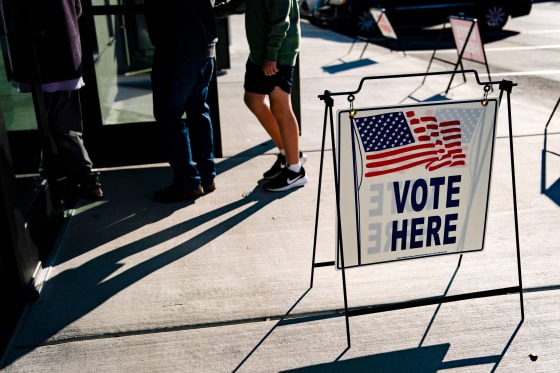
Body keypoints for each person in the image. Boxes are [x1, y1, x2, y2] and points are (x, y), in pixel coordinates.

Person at [6, 0, 103, 201]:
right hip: (67, 57)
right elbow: (77, 9)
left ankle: (65, 180)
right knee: (66, 125)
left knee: (47, 125)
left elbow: (25, 19)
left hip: (43, 61)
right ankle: (85, 180)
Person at [216, 0, 308, 192]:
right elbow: (242, 3)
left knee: (281, 107)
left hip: (277, 54)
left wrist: (272, 55)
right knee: (253, 99)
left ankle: (295, 170)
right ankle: (288, 153)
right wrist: (213, 11)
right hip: (260, 53)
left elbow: (281, 21)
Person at [145, 0, 218, 203]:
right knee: (199, 110)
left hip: (176, 50)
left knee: (169, 116)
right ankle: (207, 176)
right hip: (205, 48)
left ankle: (189, 182)